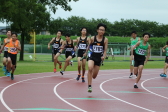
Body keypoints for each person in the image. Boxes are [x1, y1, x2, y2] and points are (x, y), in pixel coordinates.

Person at [87, 23, 108, 92]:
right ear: (97, 30)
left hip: (99, 58)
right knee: (90, 68)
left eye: (103, 30)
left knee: (94, 76)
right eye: (100, 30)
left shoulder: (105, 40)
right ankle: (89, 86)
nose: (101, 31)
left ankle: (90, 74)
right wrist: (86, 52)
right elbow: (89, 46)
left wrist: (103, 56)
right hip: (92, 56)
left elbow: (105, 50)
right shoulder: (93, 38)